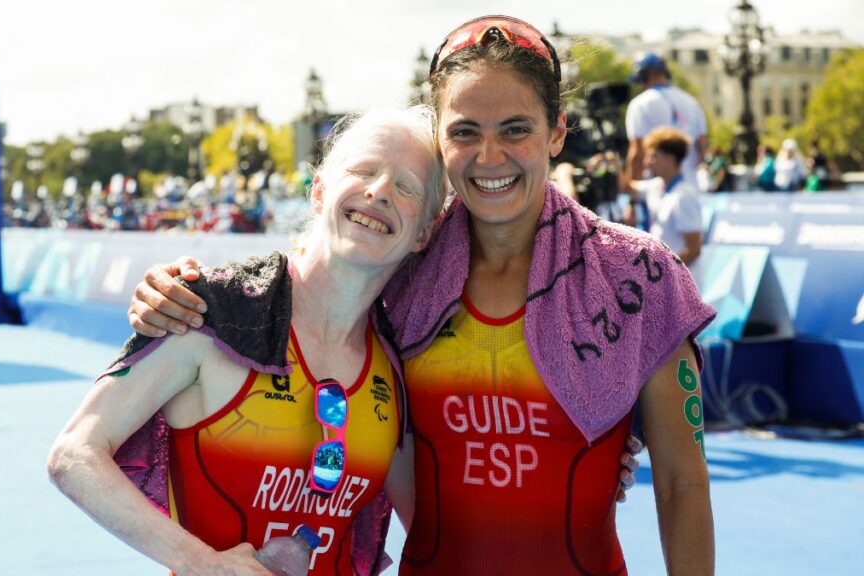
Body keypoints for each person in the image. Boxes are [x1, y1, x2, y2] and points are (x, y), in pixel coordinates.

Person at [128, 16, 714, 575]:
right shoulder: (398, 273)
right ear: (438, 135)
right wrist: (182, 292)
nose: (490, 158)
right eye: (464, 132)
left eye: (516, 129)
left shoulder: (638, 278)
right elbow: (302, 290)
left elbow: (682, 483)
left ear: (557, 129)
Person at [48, 107, 447, 575]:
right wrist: (199, 561)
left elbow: (433, 531)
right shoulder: (212, 310)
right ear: (318, 191)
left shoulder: (397, 365)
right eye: (362, 171)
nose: (379, 191)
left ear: (424, 231)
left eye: (406, 188)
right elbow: (74, 453)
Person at [625, 52, 708, 193]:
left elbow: (637, 153)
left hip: (654, 192)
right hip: (690, 188)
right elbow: (702, 146)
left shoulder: (639, 104)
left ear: (646, 75)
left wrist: (632, 200)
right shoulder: (691, 101)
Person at [624, 127, 703, 265]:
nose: (647, 162)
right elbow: (626, 188)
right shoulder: (656, 186)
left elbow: (693, 249)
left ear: (670, 158)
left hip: (677, 283)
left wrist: (663, 274)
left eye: (653, 156)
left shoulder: (684, 196)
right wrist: (613, 164)